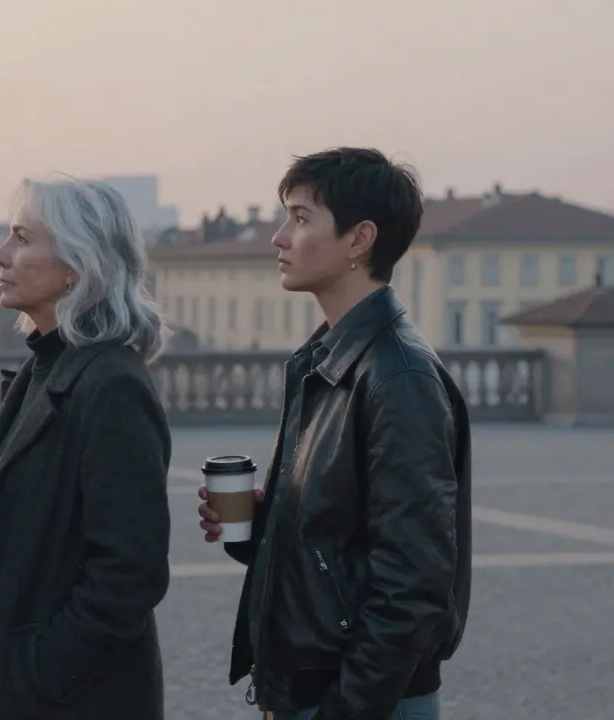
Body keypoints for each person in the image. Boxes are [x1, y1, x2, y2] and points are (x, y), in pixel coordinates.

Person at [198, 147, 471, 720]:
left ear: (359, 239)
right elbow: (343, 547)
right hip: (314, 691)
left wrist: (345, 710)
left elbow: (414, 581)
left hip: (359, 702)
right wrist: (267, 525)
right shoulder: (324, 360)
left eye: (299, 219)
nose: (278, 237)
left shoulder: (398, 377)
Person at [0, 175, 174, 720]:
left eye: (22, 238)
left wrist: (34, 676)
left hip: (66, 702)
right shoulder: (43, 367)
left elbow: (130, 572)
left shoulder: (112, 384)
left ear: (77, 265)